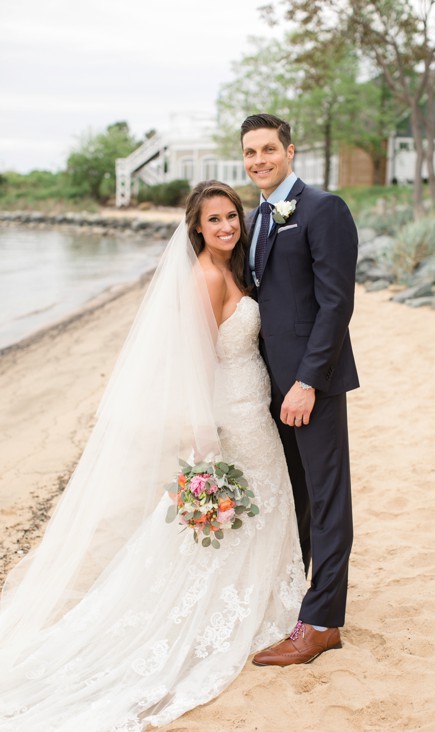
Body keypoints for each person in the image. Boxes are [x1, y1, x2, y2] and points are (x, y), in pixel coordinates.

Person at [0, 180, 306, 730]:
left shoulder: (236, 268)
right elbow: (193, 361)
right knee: (238, 514)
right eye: (213, 220)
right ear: (196, 228)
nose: (226, 227)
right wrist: (203, 435)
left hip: (253, 405)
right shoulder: (208, 276)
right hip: (230, 415)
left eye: (231, 216)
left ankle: (257, 596)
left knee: (261, 506)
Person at [237, 114, 360, 667]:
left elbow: (336, 303)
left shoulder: (322, 209)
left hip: (313, 383)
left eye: (268, 149)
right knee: (296, 499)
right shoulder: (255, 217)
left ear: (290, 151)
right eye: (249, 152)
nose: (259, 160)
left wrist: (308, 381)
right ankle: (295, 600)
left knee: (328, 498)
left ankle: (322, 623)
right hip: (268, 384)